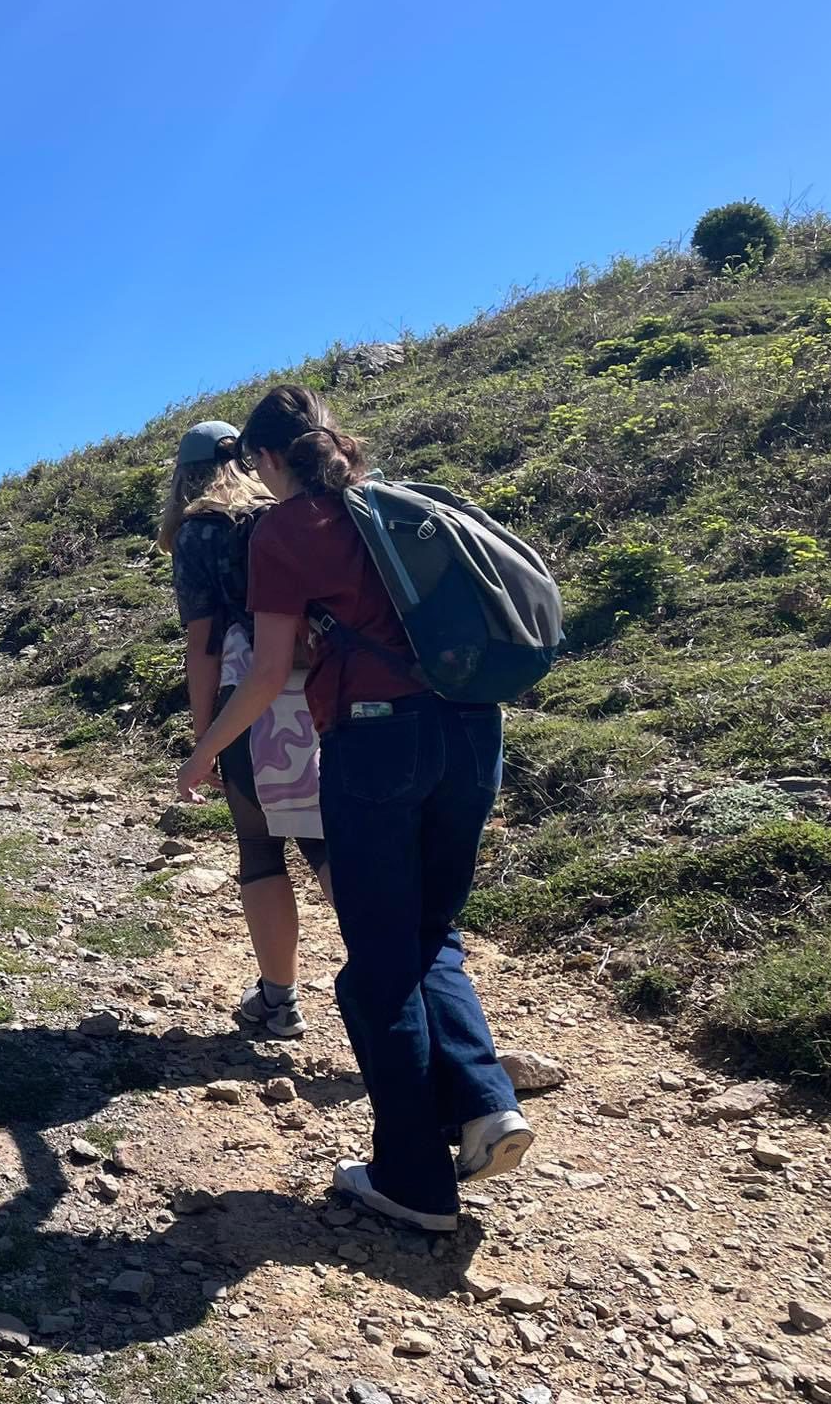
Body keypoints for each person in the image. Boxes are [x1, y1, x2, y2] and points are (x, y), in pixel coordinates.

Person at [175, 385, 530, 1234]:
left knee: (375, 963)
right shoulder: (393, 507)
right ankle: (483, 1102)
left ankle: (412, 1180)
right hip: (474, 733)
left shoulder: (283, 533)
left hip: (377, 744)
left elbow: (264, 674)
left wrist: (203, 749)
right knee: (426, 935)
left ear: (262, 460)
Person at [158, 420, 331, 1040]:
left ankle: (279, 1001)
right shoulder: (287, 512)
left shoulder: (201, 529)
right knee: (328, 840)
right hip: (326, 690)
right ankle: (410, 980)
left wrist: (206, 735)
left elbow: (203, 646)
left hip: (252, 697)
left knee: (262, 846)